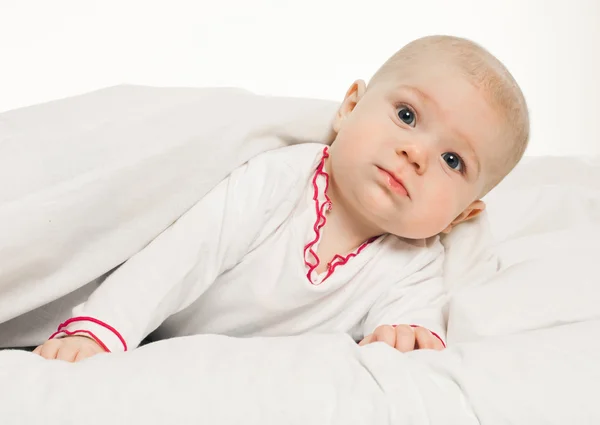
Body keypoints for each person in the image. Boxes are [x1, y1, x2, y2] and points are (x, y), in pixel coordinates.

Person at [34, 35, 529, 362]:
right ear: (350, 107)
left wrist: (406, 338)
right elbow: (181, 257)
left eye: (452, 161)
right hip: (154, 330)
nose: (417, 152)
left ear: (462, 213)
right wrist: (99, 332)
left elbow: (411, 327)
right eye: (406, 115)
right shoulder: (281, 180)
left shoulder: (413, 265)